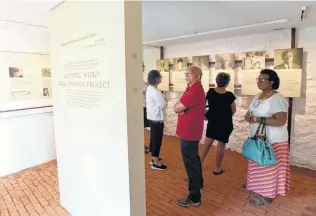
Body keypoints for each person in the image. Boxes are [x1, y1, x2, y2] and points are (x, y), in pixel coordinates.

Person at [244, 69, 290, 206]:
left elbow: (281, 120)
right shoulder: (257, 96)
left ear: (271, 82)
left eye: (263, 79)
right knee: (259, 165)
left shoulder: (277, 98)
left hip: (273, 141)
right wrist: (251, 118)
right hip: (258, 140)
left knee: (269, 169)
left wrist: (257, 119)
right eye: (258, 79)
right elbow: (248, 115)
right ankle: (259, 188)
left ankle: (267, 195)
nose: (259, 81)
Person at [173, 66, 205, 207]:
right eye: (186, 73)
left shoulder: (195, 89)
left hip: (189, 132)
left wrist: (182, 110)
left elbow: (177, 107)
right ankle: (198, 182)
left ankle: (194, 197)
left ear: (197, 76)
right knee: (194, 160)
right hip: (189, 131)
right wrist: (181, 109)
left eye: (189, 74)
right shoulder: (191, 87)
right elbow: (179, 106)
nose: (186, 76)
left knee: (190, 163)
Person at [200, 72, 236, 174]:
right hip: (225, 123)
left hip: (213, 122)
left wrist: (207, 115)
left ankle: (200, 164)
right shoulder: (230, 95)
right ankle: (217, 168)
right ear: (227, 83)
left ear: (216, 81)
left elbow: (204, 106)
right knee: (221, 145)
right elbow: (233, 110)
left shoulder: (210, 92)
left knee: (207, 144)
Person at [146, 70, 167, 171]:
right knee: (156, 140)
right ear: (156, 79)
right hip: (157, 119)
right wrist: (164, 100)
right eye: (160, 76)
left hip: (152, 117)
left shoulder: (149, 88)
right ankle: (155, 162)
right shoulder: (156, 91)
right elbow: (163, 104)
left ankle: (153, 157)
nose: (161, 78)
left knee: (153, 139)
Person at [143, 62, 150, 154]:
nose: (144, 67)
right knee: (141, 128)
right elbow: (146, 91)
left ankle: (141, 144)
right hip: (141, 106)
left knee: (143, 127)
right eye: (142, 65)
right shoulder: (136, 78)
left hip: (143, 106)